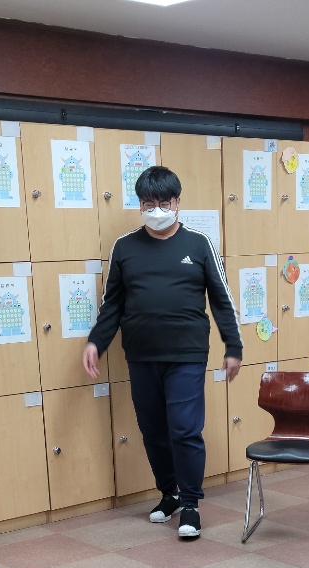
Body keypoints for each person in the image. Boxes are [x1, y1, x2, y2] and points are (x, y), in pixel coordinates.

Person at [84, 165, 242, 540]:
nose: (156, 211)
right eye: (148, 204)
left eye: (163, 203)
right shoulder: (125, 247)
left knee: (184, 429)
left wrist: (233, 345)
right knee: (153, 430)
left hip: (187, 353)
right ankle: (169, 494)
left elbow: (221, 300)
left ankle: (190, 504)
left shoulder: (199, 244)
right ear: (140, 205)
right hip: (141, 354)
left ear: (177, 203)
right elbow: (112, 304)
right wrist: (96, 342)